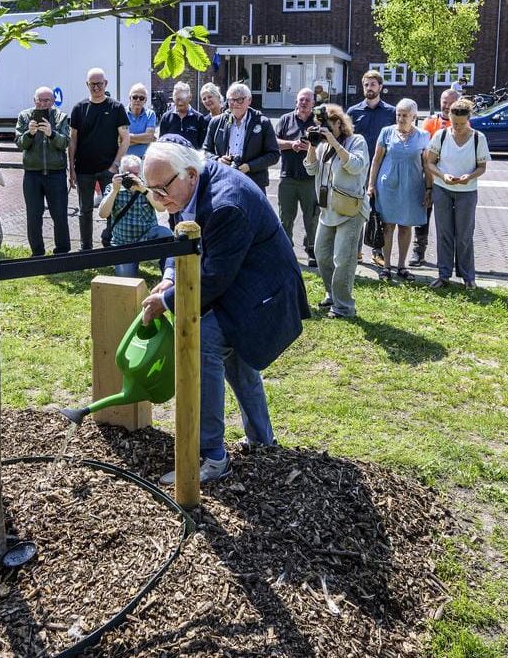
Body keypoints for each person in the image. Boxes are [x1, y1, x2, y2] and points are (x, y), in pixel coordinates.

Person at [139, 140, 309, 483]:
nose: (159, 200)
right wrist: (170, 275)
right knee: (237, 358)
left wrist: (168, 300)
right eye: (151, 191)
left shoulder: (225, 205)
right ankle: (263, 442)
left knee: (204, 342)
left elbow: (213, 279)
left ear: (189, 173)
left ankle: (212, 456)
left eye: (161, 190)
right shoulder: (182, 186)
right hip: (241, 285)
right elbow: (182, 234)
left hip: (262, 294)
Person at [305, 105, 369, 318]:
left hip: (350, 210)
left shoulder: (356, 141)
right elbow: (311, 169)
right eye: (319, 126)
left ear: (340, 124)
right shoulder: (322, 146)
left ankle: (344, 307)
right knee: (321, 254)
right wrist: (313, 146)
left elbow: (356, 166)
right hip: (328, 209)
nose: (322, 129)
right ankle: (332, 294)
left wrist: (333, 142)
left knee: (344, 259)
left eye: (327, 126)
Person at [423, 97, 489, 289]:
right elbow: (430, 163)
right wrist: (443, 176)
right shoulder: (441, 136)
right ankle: (444, 275)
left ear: (469, 118)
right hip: (443, 189)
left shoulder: (478, 138)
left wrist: (469, 176)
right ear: (449, 118)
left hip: (467, 191)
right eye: (454, 123)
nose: (457, 127)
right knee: (444, 232)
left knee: (464, 234)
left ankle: (468, 277)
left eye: (461, 123)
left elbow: (482, 167)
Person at [367, 98, 430, 282]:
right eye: (399, 115)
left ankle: (402, 266)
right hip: (388, 186)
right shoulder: (386, 132)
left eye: (405, 115)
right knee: (387, 225)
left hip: (412, 187)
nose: (401, 119)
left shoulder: (423, 135)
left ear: (414, 116)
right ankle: (386, 266)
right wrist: (371, 184)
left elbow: (427, 164)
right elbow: (376, 160)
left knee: (406, 225)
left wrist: (429, 188)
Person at [67, 67, 130, 251]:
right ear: (87, 85)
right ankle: (85, 248)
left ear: (106, 84)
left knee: (111, 209)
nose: (96, 88)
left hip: (108, 169)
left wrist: (115, 164)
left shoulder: (116, 107)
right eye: (92, 84)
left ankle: (110, 245)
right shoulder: (79, 108)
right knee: (84, 210)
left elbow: (126, 139)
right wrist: (71, 167)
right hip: (83, 170)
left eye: (99, 84)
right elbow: (73, 140)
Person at [348, 69, 397, 264]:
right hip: (358, 169)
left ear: (380, 87)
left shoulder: (391, 112)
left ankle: (378, 251)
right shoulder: (353, 112)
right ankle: (356, 251)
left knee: (379, 211)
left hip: (382, 169)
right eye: (366, 85)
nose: (369, 88)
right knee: (356, 209)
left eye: (373, 85)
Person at [17, 87, 71, 257]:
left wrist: (51, 133)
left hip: (56, 173)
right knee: (33, 215)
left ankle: (62, 252)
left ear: (53, 101)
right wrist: (30, 133)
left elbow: (65, 143)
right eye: (39, 100)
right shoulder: (25, 116)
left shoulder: (61, 117)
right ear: (34, 100)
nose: (42, 104)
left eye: (47, 100)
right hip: (32, 174)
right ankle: (37, 252)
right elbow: (20, 143)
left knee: (60, 214)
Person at [98, 154, 171, 277]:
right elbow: (103, 214)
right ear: (121, 173)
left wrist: (143, 189)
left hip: (147, 237)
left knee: (167, 235)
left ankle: (168, 272)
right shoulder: (112, 188)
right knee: (126, 281)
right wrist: (114, 191)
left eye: (136, 174)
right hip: (124, 243)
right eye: (128, 174)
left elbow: (161, 208)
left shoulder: (147, 187)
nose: (132, 177)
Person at [201, 82, 281, 191]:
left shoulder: (262, 123)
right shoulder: (216, 122)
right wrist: (218, 160)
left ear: (249, 100)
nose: (235, 104)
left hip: (254, 183)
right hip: (224, 182)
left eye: (240, 100)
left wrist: (250, 166)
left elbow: (274, 154)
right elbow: (205, 152)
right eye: (231, 100)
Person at [412, 87, 461, 266]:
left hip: (451, 179)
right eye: (444, 103)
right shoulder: (430, 122)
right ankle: (418, 250)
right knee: (423, 214)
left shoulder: (463, 124)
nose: (447, 106)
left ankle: (449, 257)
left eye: (450, 103)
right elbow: (423, 150)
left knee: (449, 220)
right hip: (429, 177)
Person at [274, 88, 321, 267]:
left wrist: (311, 146)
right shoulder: (286, 119)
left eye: (308, 100)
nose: (304, 103)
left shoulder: (317, 122)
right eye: (301, 100)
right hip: (288, 177)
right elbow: (274, 141)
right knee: (285, 216)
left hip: (310, 178)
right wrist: (291, 144)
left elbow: (326, 144)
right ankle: (286, 250)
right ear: (296, 102)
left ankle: (311, 250)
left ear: (313, 104)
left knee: (311, 217)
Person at [158, 81, 206, 150]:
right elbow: (162, 143)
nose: (180, 103)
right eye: (177, 99)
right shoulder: (166, 117)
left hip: (191, 159)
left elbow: (201, 145)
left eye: (183, 99)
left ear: (190, 97)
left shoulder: (199, 118)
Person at [124, 82, 159, 159]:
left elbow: (149, 137)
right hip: (125, 159)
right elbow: (118, 140)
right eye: (135, 97)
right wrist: (143, 139)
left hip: (144, 159)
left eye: (141, 98)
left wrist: (126, 138)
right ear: (130, 98)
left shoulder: (150, 114)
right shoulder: (122, 113)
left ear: (145, 100)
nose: (138, 100)